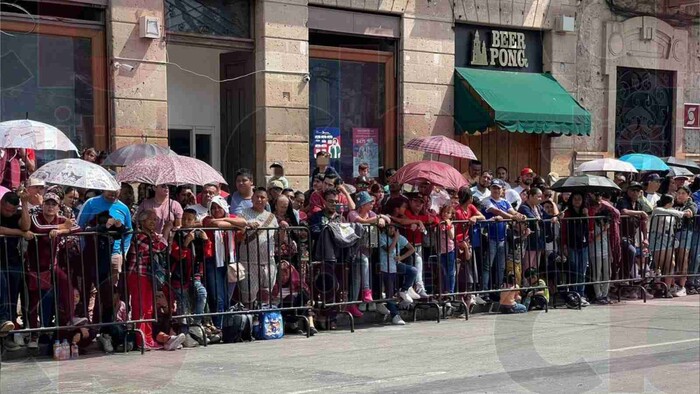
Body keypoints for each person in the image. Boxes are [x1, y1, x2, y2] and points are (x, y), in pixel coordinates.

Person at [21, 191, 81, 348]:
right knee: (34, 302)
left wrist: (61, 231)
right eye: (47, 203)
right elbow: (39, 228)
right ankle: (34, 335)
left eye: (53, 204)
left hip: (52, 266)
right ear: (42, 205)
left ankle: (70, 317)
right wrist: (61, 227)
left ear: (58, 207)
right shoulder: (36, 218)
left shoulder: (60, 218)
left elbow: (77, 227)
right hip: (35, 268)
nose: (50, 206)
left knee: (66, 284)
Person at [202, 196, 247, 328]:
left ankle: (226, 324)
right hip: (213, 260)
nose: (216, 210)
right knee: (217, 294)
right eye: (213, 208)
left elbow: (243, 222)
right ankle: (219, 325)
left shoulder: (230, 217)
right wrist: (233, 223)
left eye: (219, 207)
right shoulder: (207, 219)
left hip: (229, 259)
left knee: (227, 294)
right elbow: (217, 225)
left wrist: (226, 219)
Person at [481, 179, 526, 302]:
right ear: (491, 189)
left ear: (502, 190)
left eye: (498, 188)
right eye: (494, 188)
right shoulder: (486, 201)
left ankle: (498, 289)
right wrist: (513, 217)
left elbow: (512, 211)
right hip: (490, 237)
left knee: (501, 266)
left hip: (502, 238)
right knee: (487, 266)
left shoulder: (505, 202)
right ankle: (485, 291)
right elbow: (497, 211)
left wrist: (521, 216)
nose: (496, 190)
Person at [78, 189, 133, 288]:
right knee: (90, 289)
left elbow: (129, 232)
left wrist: (122, 252)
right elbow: (79, 226)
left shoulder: (124, 208)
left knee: (110, 290)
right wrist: (82, 248)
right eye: (110, 189)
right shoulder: (91, 203)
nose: (113, 192)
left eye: (116, 189)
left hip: (114, 254)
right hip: (92, 253)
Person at [347, 191, 390, 316]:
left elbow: (382, 220)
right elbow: (361, 221)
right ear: (362, 204)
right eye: (368, 203)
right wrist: (379, 218)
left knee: (357, 279)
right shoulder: (353, 213)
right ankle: (366, 291)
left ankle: (352, 304)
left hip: (367, 250)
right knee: (363, 265)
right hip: (354, 251)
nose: (371, 204)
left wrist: (381, 218)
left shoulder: (371, 214)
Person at [237, 188, 279, 306]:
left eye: (262, 197)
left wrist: (283, 230)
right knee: (248, 297)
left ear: (267, 200)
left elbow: (277, 239)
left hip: (268, 262)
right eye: (257, 197)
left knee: (265, 297)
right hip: (249, 263)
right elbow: (238, 236)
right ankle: (250, 321)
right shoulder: (243, 214)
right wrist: (247, 227)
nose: (259, 199)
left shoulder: (272, 217)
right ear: (252, 198)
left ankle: (263, 321)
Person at [0, 192, 33, 339]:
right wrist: (19, 233)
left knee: (13, 296)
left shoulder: (17, 213)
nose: (10, 213)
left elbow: (26, 226)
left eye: (13, 210)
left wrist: (25, 204)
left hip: (13, 259)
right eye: (7, 210)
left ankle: (9, 332)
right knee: (3, 290)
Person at [393, 193, 439, 298]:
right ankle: (412, 288)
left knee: (417, 265)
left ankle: (417, 287)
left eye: (421, 202)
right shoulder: (406, 212)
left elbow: (435, 220)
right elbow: (404, 219)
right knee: (414, 265)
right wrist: (419, 221)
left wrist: (422, 219)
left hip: (417, 246)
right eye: (415, 201)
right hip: (404, 247)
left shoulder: (422, 214)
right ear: (410, 202)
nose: (418, 204)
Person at [170, 209, 211, 326]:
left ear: (194, 221)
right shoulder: (177, 234)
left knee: (202, 293)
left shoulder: (198, 234)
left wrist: (206, 240)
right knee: (183, 304)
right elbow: (176, 254)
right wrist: (186, 243)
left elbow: (207, 254)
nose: (186, 222)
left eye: (189, 219)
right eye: (184, 219)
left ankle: (197, 322)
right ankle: (184, 327)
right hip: (179, 274)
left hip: (195, 273)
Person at [378, 224, 418, 325]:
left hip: (396, 264)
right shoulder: (382, 237)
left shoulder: (399, 237)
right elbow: (389, 250)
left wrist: (401, 257)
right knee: (390, 292)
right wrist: (395, 239)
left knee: (413, 271)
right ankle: (395, 315)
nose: (390, 230)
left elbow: (412, 249)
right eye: (388, 228)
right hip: (385, 266)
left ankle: (404, 290)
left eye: (392, 228)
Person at [648, 194, 686, 297]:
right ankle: (659, 288)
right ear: (669, 202)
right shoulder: (657, 210)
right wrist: (682, 213)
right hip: (657, 238)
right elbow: (669, 212)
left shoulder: (672, 211)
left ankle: (667, 289)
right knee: (659, 263)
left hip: (669, 238)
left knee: (670, 264)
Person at [454, 188, 485, 305]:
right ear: (470, 198)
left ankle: (470, 295)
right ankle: (460, 297)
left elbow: (482, 216)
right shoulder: (456, 211)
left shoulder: (471, 208)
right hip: (457, 242)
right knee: (460, 271)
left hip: (467, 241)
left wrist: (474, 217)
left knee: (470, 269)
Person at [561, 192, 591, 308]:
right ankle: (574, 294)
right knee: (574, 270)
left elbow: (590, 227)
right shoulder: (567, 213)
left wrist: (586, 216)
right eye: (575, 199)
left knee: (582, 271)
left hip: (583, 244)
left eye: (579, 199)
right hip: (571, 244)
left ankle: (581, 294)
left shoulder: (585, 212)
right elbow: (563, 230)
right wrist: (564, 245)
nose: (577, 201)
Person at [616, 182, 648, 281]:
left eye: (637, 191)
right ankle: (623, 279)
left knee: (637, 256)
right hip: (621, 235)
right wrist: (641, 212)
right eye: (633, 190)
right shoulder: (622, 200)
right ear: (628, 191)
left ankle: (630, 280)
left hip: (632, 236)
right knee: (631, 252)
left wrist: (646, 238)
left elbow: (643, 222)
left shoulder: (639, 203)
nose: (635, 193)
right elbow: (624, 211)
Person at [672, 186, 697, 297]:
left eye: (683, 193)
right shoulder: (673, 204)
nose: (680, 195)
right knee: (673, 259)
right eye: (679, 193)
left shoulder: (691, 204)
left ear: (688, 195)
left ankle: (682, 286)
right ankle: (673, 283)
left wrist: (682, 213)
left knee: (683, 258)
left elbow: (690, 212)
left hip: (685, 232)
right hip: (673, 233)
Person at [518, 188, 545, 274]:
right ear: (530, 196)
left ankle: (534, 285)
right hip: (529, 242)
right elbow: (531, 217)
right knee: (528, 267)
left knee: (535, 267)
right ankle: (527, 286)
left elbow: (547, 216)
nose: (540, 199)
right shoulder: (524, 207)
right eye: (538, 197)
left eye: (541, 197)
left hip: (539, 241)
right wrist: (538, 219)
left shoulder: (539, 207)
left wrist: (556, 216)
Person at [437, 204, 457, 297]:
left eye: (448, 212)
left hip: (449, 250)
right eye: (444, 212)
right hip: (441, 251)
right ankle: (445, 290)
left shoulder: (450, 224)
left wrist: (448, 226)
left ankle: (450, 291)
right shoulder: (439, 223)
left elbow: (452, 236)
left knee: (450, 272)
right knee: (444, 272)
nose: (446, 214)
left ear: (451, 215)